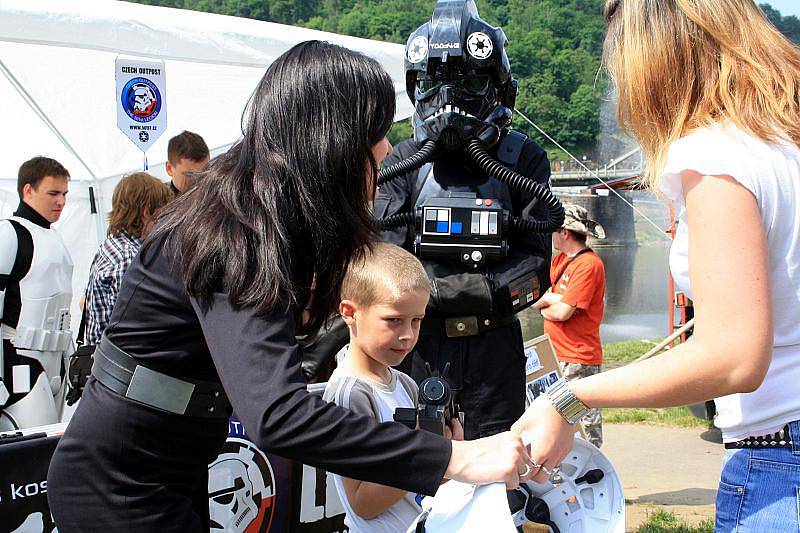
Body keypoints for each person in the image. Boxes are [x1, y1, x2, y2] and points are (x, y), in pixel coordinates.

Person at [46, 41, 530, 532]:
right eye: (376, 134)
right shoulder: (235, 234)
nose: (385, 151)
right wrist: (452, 457)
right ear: (332, 140)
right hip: (120, 486)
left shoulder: (252, 217)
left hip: (160, 469)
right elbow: (278, 415)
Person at [513, 2, 800, 531]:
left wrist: (569, 396)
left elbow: (734, 357)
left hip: (781, 454)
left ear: (655, 58)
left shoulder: (718, 155)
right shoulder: (783, 143)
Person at [377, 0, 556, 441]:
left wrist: (449, 291)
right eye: (434, 85)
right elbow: (381, 262)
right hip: (417, 348)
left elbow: (535, 266)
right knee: (416, 470)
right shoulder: (404, 161)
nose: (449, 102)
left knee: (499, 471)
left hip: (492, 353)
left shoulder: (522, 159)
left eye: (470, 81)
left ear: (498, 88)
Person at [324, 242, 463, 532]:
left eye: (417, 321)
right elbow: (362, 504)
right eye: (393, 321)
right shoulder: (349, 394)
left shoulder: (406, 383)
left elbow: (427, 482)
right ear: (350, 312)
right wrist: (432, 453)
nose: (408, 336)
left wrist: (450, 450)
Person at [0, 156, 72, 430]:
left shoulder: (54, 238)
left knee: (47, 452)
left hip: (56, 361)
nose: (61, 201)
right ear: (28, 190)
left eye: (65, 194)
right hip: (20, 359)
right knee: (29, 451)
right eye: (53, 193)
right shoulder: (10, 233)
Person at [533, 204, 606, 447]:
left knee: (583, 419)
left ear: (565, 232)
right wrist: (551, 302)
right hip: (557, 352)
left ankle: (594, 469)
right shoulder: (560, 261)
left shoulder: (588, 265)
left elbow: (563, 312)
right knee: (557, 414)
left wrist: (551, 304)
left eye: (554, 229)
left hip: (578, 355)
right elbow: (539, 300)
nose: (550, 234)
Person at [84, 172, 172, 345]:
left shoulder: (111, 245)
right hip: (117, 362)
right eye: (163, 214)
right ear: (147, 212)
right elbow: (132, 328)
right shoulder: (130, 257)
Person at [165, 130, 210, 196]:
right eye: (189, 175)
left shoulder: (220, 194)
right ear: (169, 169)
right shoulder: (159, 203)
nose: (197, 181)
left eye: (204, 173)